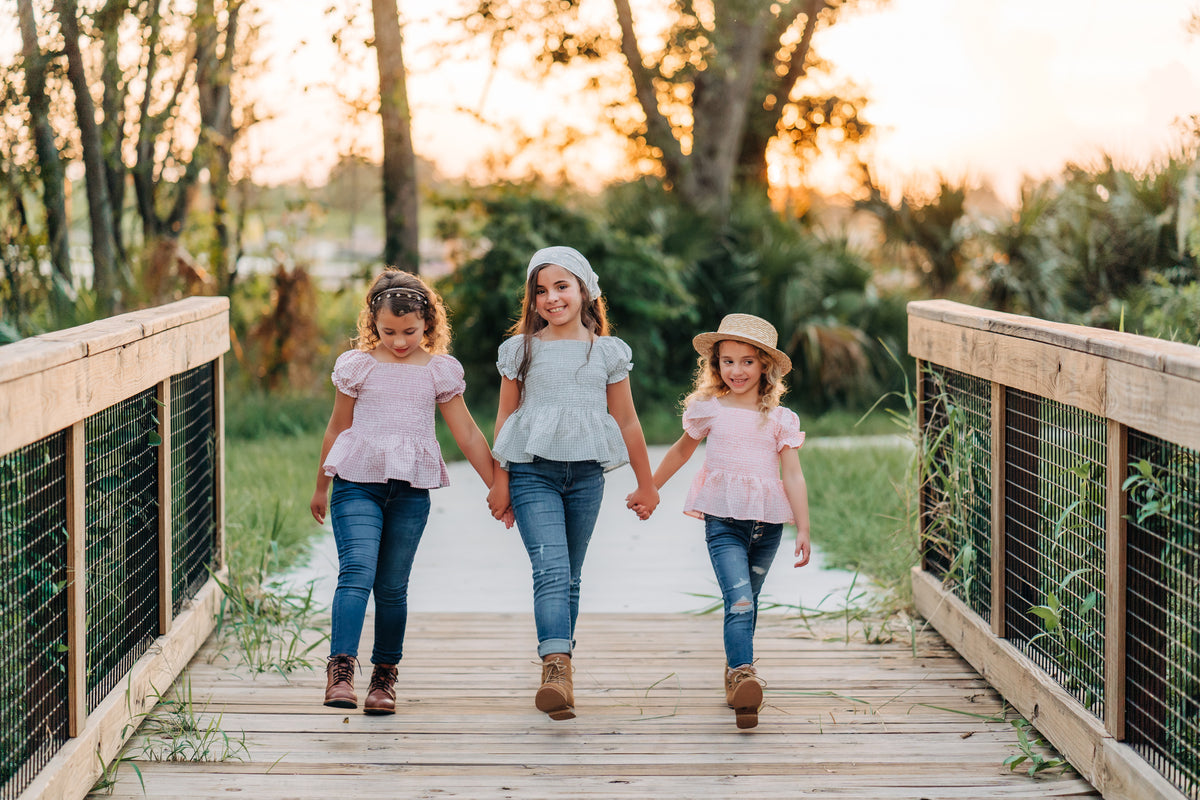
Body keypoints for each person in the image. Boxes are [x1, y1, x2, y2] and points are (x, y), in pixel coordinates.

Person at [310, 268, 507, 715]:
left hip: (410, 492)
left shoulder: (439, 371)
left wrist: (498, 483)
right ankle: (340, 669)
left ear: (428, 325)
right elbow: (338, 426)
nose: (399, 342)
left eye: (410, 332)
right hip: (356, 484)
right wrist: (321, 485)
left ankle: (384, 678)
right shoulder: (358, 365)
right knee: (356, 572)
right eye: (388, 332)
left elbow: (469, 434)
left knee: (393, 587)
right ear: (372, 325)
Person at [486, 245, 660, 721]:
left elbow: (626, 420)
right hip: (531, 472)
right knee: (551, 570)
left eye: (562, 286)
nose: (551, 298)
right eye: (540, 290)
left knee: (572, 576)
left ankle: (562, 667)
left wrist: (648, 485)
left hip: (585, 476)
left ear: (586, 290)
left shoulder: (606, 351)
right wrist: (500, 480)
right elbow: (505, 415)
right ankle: (555, 667)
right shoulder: (520, 349)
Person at [637, 313, 811, 729]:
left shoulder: (780, 418)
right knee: (740, 602)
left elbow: (794, 474)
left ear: (765, 366)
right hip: (724, 524)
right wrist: (651, 488)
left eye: (748, 361)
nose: (737, 370)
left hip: (767, 527)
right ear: (716, 365)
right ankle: (744, 675)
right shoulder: (708, 409)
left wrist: (803, 527)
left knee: (749, 605)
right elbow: (680, 452)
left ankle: (736, 676)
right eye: (728, 361)